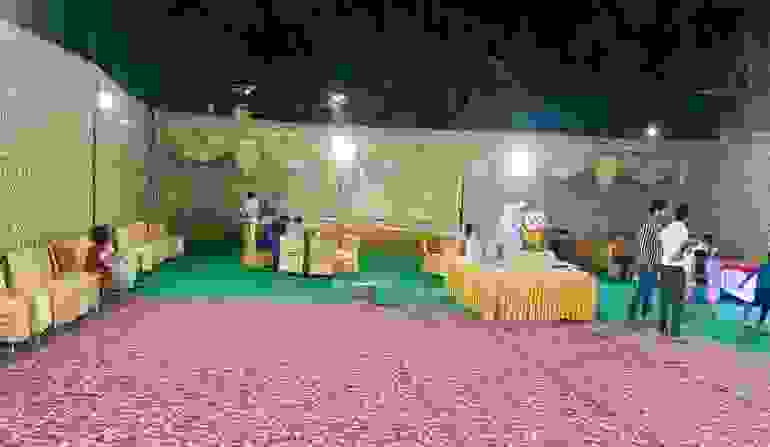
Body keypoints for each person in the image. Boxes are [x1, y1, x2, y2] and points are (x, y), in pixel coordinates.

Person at [628, 199, 667, 322]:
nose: (665, 214)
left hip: (654, 264)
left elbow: (658, 247)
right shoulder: (648, 226)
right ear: (657, 211)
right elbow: (643, 246)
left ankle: (643, 314)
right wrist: (648, 263)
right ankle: (633, 314)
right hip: (647, 264)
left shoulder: (657, 226)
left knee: (649, 291)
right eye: (663, 211)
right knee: (642, 290)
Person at [657, 203, 692, 339]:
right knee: (677, 301)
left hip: (664, 268)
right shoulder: (684, 230)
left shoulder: (666, 229)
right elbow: (682, 250)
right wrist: (682, 253)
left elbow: (660, 245)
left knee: (664, 300)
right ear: (686, 217)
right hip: (677, 269)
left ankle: (662, 328)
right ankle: (675, 330)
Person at [737, 255, 770, 334]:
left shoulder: (762, 265)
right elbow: (751, 274)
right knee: (763, 306)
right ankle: (757, 323)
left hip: (762, 289)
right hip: (763, 289)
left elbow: (751, 274)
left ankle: (757, 323)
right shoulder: (762, 265)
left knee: (763, 306)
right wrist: (743, 282)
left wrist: (743, 282)